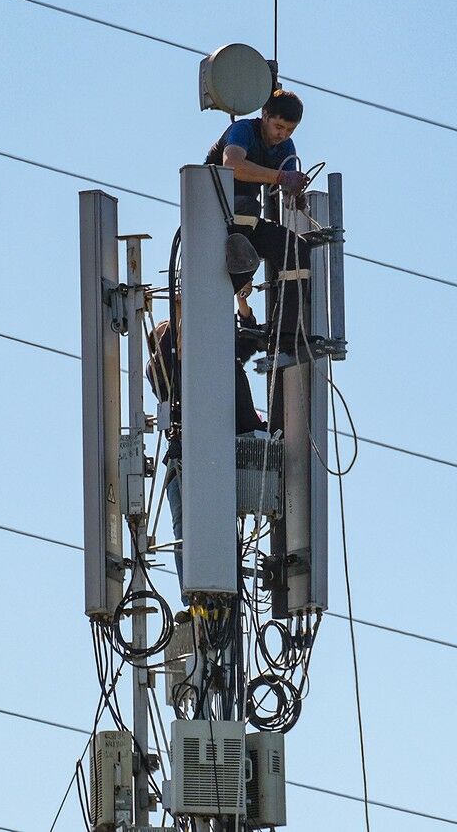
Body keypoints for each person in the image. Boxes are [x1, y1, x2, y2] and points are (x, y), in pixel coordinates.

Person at [147, 284, 267, 600]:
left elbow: (248, 339)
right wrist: (179, 313)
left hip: (222, 450)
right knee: (185, 529)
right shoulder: (161, 372)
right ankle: (194, 598)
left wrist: (242, 302)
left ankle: (223, 595)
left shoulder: (216, 358)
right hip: (184, 457)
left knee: (218, 526)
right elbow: (168, 354)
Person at [205, 91, 313, 321]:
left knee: (296, 250)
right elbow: (233, 165)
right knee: (248, 206)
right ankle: (233, 275)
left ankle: (286, 332)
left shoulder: (286, 147)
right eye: (279, 127)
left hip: (246, 222)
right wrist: (282, 177)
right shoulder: (243, 130)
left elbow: (286, 193)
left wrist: (295, 196)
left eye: (290, 130)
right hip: (214, 215)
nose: (283, 135)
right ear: (265, 115)